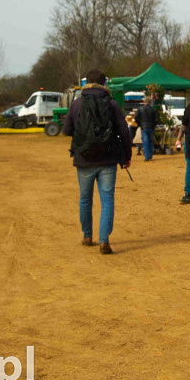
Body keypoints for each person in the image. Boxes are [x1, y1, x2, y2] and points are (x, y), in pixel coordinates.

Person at [61, 68, 132, 255]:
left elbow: (66, 130)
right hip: (107, 159)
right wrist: (127, 156)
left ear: (86, 84)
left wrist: (82, 135)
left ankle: (87, 236)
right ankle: (104, 241)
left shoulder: (76, 104)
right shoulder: (111, 103)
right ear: (104, 83)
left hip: (84, 158)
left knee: (85, 199)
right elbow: (124, 131)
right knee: (107, 200)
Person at [134, 97, 159, 162]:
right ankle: (150, 156)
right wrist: (154, 125)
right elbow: (156, 119)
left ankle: (146, 157)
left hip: (143, 127)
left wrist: (139, 124)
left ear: (144, 102)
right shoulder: (153, 109)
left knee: (145, 142)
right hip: (151, 127)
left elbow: (136, 118)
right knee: (151, 141)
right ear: (150, 102)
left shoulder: (140, 109)